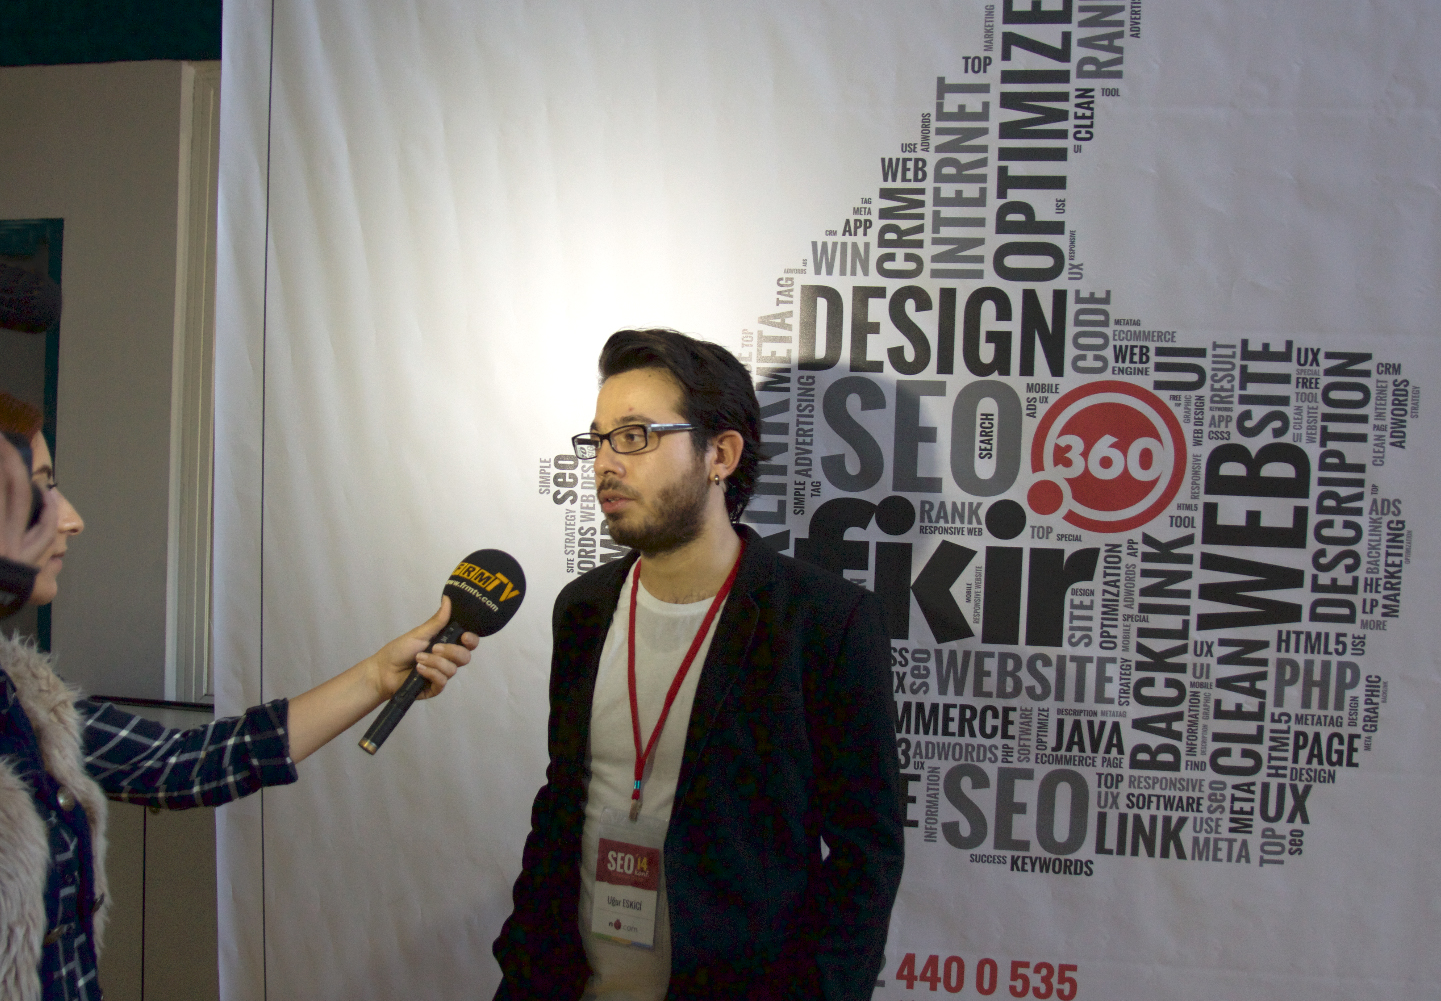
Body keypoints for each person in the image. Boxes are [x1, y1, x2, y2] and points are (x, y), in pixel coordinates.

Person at [0, 392, 478, 1001]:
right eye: (40, 489)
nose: (70, 519)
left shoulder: (27, 700)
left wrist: (377, 677)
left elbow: (183, 764)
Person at [492, 330, 903, 1001]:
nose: (605, 463)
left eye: (634, 436)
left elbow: (867, 855)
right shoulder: (583, 609)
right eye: (598, 439)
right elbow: (564, 802)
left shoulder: (823, 622)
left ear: (721, 454)